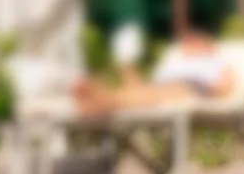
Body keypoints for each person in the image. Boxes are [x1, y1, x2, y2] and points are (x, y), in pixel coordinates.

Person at [71, 29, 234, 115]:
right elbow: (154, 82)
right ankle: (106, 96)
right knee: (140, 91)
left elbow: (224, 87)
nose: (190, 43)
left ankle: (104, 98)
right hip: (160, 86)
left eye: (196, 41)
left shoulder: (216, 62)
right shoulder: (177, 60)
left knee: (144, 94)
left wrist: (212, 92)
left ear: (207, 45)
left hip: (191, 87)